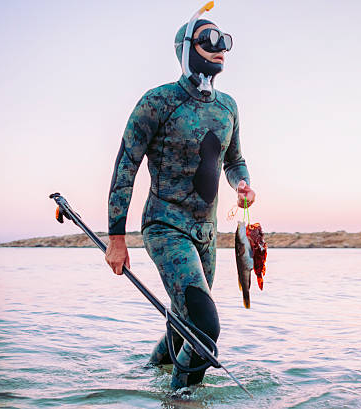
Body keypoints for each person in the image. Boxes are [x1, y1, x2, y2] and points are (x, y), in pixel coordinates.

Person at [104, 14, 256, 391]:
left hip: (207, 235)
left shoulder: (228, 107)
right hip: (165, 227)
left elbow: (234, 160)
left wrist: (243, 184)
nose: (220, 50)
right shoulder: (158, 102)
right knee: (205, 326)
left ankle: (144, 377)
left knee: (183, 322)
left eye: (225, 42)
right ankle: (182, 401)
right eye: (210, 40)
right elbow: (126, 165)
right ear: (187, 49)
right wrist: (116, 238)